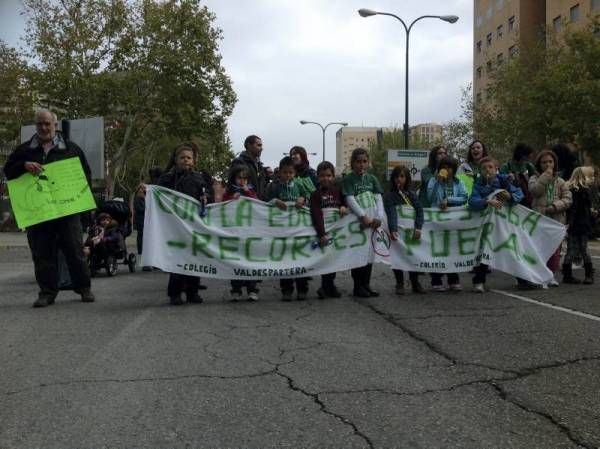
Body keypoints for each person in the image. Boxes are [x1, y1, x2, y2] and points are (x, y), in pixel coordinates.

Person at [3, 109, 95, 307]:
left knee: (74, 250)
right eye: (40, 124)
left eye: (47, 124)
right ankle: (47, 292)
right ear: (35, 126)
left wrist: (81, 206)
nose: (44, 128)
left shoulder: (71, 149)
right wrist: (23, 165)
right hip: (38, 213)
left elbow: (85, 176)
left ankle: (83, 288)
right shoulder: (23, 151)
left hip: (67, 212)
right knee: (42, 253)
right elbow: (8, 171)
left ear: (55, 125)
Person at [157, 143, 212, 305]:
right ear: (175, 160)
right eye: (182, 158)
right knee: (177, 259)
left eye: (189, 158)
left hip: (193, 225)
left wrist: (206, 198)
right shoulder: (166, 179)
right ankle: (175, 293)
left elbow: (208, 195)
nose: (186, 160)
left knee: (193, 258)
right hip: (174, 225)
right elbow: (158, 195)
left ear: (193, 161)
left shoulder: (199, 178)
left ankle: (192, 292)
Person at [468, 157, 524, 292]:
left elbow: (519, 193)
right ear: (480, 171)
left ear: (496, 169)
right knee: (484, 252)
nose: (487, 170)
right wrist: (487, 201)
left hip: (503, 225)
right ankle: (479, 281)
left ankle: (522, 278)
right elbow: (473, 202)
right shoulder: (478, 185)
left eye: (490, 167)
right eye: (484, 168)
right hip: (487, 226)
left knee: (510, 250)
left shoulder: (504, 182)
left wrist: (510, 196)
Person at [267, 156, 312, 301]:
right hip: (281, 231)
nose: (288, 176)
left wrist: (302, 200)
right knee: (285, 260)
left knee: (300, 259)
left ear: (295, 173)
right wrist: (275, 201)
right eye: (285, 172)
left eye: (291, 173)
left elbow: (307, 200)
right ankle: (286, 289)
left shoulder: (299, 186)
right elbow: (264, 203)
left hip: (299, 230)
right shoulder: (273, 187)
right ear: (279, 172)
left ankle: (302, 288)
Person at [342, 148, 385, 298]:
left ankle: (366, 285)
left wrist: (379, 217)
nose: (361, 164)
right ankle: (358, 286)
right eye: (358, 162)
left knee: (370, 254)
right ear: (352, 163)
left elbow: (378, 198)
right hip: (359, 222)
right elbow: (350, 199)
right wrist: (363, 216)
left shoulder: (372, 179)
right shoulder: (348, 179)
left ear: (368, 162)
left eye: (364, 161)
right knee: (358, 253)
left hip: (373, 222)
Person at [529, 149, 573, 287]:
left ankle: (551, 274)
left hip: (556, 220)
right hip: (539, 220)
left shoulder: (561, 181)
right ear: (539, 164)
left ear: (555, 163)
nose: (548, 164)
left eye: (550, 161)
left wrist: (555, 206)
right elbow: (535, 191)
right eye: (544, 162)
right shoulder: (534, 179)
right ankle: (539, 274)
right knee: (540, 248)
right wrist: (545, 176)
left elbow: (568, 199)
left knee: (555, 251)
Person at [427, 155, 468, 292]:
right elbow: (430, 198)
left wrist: (449, 200)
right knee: (437, 250)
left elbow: (464, 197)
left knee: (452, 249)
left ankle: (453, 279)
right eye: (444, 167)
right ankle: (436, 280)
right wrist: (438, 182)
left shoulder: (458, 182)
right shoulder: (433, 180)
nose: (447, 170)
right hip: (437, 221)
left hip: (453, 220)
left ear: (454, 169)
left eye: (450, 167)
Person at [384, 165, 425, 295]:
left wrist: (418, 227)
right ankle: (399, 283)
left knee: (413, 256)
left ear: (407, 179)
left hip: (411, 233)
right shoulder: (389, 196)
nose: (399, 179)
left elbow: (419, 211)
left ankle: (415, 282)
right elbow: (391, 213)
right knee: (398, 257)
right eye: (396, 177)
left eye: (402, 176)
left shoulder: (412, 195)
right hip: (398, 233)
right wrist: (393, 229)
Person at [309, 161, 348, 299]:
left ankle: (329, 286)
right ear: (318, 177)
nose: (325, 178)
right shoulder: (315, 195)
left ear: (333, 176)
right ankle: (326, 287)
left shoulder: (338, 191)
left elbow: (345, 203)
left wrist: (343, 206)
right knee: (326, 260)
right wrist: (322, 234)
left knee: (334, 260)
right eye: (322, 176)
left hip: (337, 233)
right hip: (324, 233)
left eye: (329, 175)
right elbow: (316, 214)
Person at [222, 165, 260, 301]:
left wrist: (247, 193)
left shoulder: (251, 191)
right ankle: (236, 289)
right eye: (239, 178)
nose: (242, 181)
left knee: (251, 261)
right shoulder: (229, 192)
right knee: (235, 261)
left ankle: (252, 289)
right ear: (234, 179)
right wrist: (231, 199)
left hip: (250, 233)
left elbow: (257, 204)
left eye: (245, 178)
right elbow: (222, 206)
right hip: (235, 232)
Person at [562, 166, 596, 285]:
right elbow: (584, 209)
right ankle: (588, 275)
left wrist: (568, 223)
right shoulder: (585, 190)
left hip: (573, 224)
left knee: (570, 250)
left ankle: (567, 275)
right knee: (584, 249)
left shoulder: (569, 189)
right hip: (582, 224)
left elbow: (571, 209)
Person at [133, 167, 162, 271]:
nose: (142, 190)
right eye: (141, 189)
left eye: (143, 189)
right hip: (142, 222)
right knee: (143, 240)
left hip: (146, 222)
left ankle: (153, 262)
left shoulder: (146, 198)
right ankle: (146, 262)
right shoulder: (138, 199)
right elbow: (140, 209)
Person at [231, 135, 268, 200]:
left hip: (259, 205)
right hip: (243, 204)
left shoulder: (260, 166)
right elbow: (232, 184)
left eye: (261, 146)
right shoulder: (238, 162)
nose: (262, 148)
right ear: (249, 145)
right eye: (259, 145)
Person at [500, 143, 537, 208]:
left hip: (527, 202)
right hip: (512, 200)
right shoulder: (506, 167)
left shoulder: (529, 166)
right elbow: (501, 184)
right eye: (527, 157)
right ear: (521, 155)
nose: (528, 159)